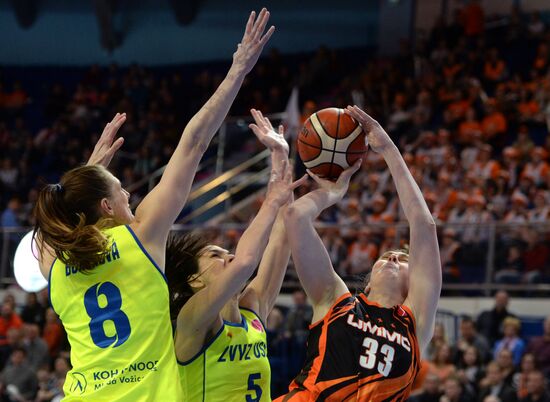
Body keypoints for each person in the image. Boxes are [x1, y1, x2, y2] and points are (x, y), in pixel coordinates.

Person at [32, 8, 274, 400]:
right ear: (106, 208)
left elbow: (56, 222)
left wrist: (91, 172)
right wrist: (238, 71)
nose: (128, 194)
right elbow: (194, 143)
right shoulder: (142, 237)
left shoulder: (54, 264)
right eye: (119, 190)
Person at [276, 105, 442, 401]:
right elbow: (295, 216)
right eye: (388, 256)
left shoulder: (414, 322)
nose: (394, 258)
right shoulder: (335, 300)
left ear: (413, 284)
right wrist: (334, 193)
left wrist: (389, 149)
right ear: (366, 283)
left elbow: (424, 225)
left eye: (403, 260)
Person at [167, 108, 306, 401]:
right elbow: (244, 262)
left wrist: (280, 156)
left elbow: (281, 237)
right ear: (193, 280)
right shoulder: (194, 319)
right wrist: (269, 200)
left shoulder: (252, 311)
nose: (228, 256)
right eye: (216, 255)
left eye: (226, 252)